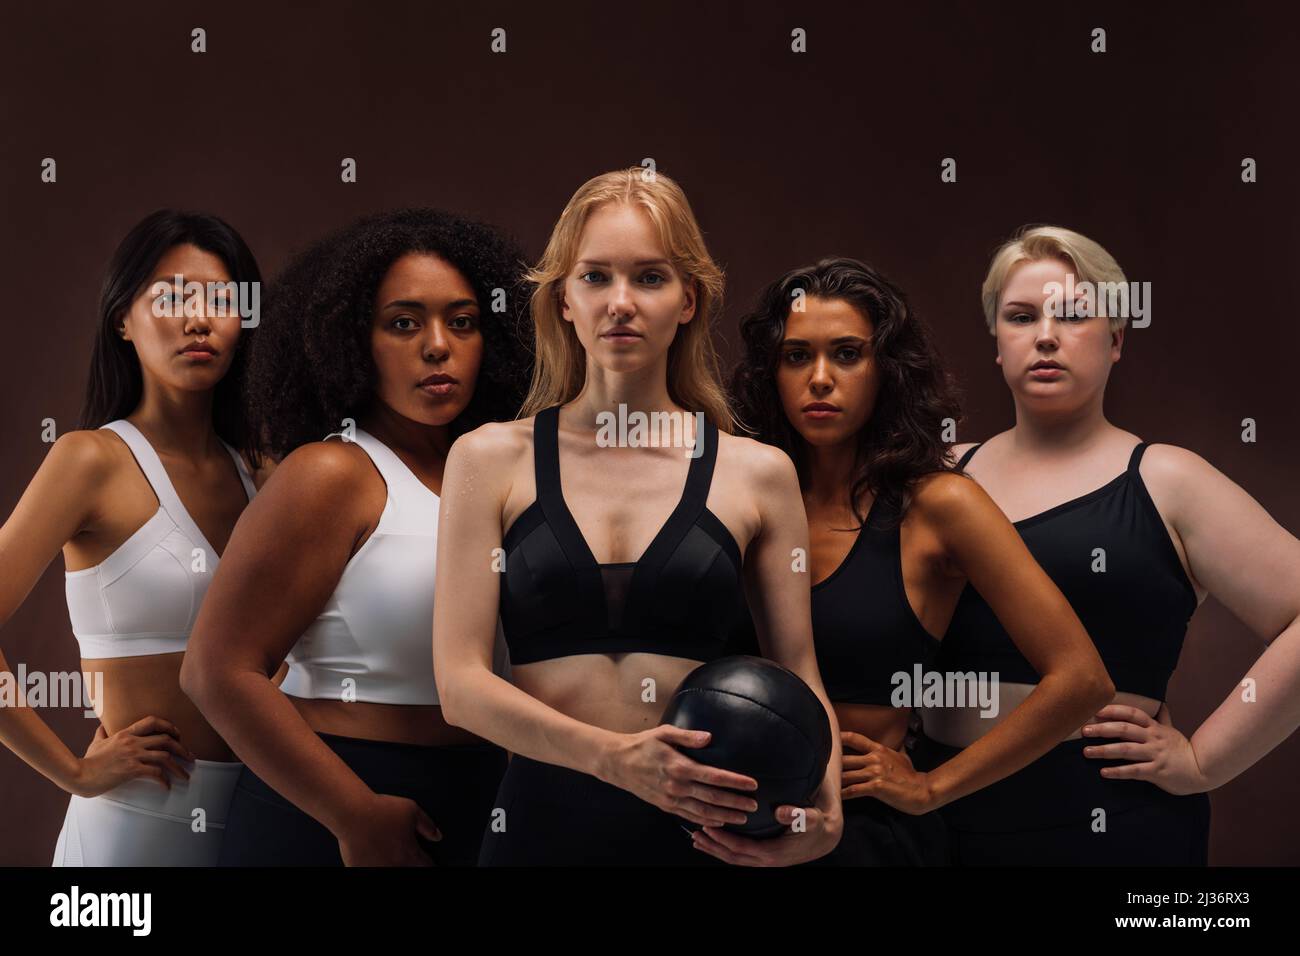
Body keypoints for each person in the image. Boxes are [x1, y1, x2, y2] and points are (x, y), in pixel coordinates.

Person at [434, 168, 845, 866]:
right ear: (563, 298)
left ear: (688, 299)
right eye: (596, 277)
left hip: (704, 834)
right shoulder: (488, 460)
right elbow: (461, 685)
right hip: (540, 825)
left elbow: (799, 669)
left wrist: (827, 818)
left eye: (649, 278)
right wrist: (614, 758)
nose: (620, 303)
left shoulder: (758, 473)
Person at [918, 224, 1300, 864]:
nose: (1045, 335)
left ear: (1117, 339)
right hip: (937, 814)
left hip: (1110, 822)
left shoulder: (1168, 479)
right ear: (998, 344)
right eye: (1020, 317)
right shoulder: (933, 473)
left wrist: (1204, 760)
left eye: (1073, 315)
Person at [730, 256, 1114, 865]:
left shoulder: (939, 505)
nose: (820, 378)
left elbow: (1081, 679)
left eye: (848, 354)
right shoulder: (736, 496)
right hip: (720, 830)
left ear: (888, 371)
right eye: (797, 356)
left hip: (864, 839)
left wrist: (934, 787)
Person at [181, 209, 530, 866]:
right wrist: (353, 814)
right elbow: (216, 670)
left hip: (481, 800)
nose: (437, 345)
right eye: (403, 322)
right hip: (330, 806)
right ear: (352, 340)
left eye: (462, 321)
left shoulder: (502, 477)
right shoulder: (332, 474)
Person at [0, 210, 264, 865]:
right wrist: (73, 771)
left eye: (222, 300)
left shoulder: (266, 472)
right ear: (123, 319)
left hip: (263, 818)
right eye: (171, 296)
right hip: (137, 823)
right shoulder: (89, 461)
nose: (199, 319)